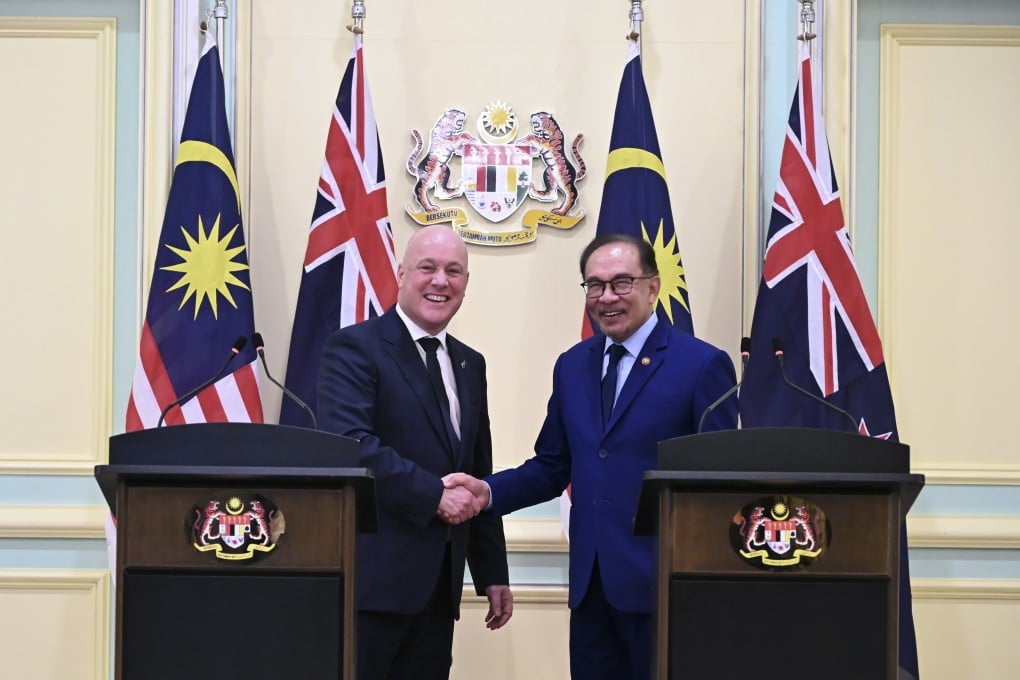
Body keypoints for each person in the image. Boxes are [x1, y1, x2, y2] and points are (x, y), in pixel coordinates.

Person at [444, 233, 737, 680]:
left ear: (653, 287)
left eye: (622, 283)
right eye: (595, 285)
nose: (606, 297)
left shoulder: (700, 365)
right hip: (591, 588)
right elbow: (552, 465)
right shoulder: (573, 364)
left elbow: (718, 482)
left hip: (667, 588)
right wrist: (486, 492)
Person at [317, 224, 513, 680]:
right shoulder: (354, 348)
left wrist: (491, 571)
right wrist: (433, 495)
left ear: (466, 283)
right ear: (401, 273)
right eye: (427, 268)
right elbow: (351, 444)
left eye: (454, 271)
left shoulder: (470, 363)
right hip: (371, 585)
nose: (440, 281)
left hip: (438, 589)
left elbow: (475, 471)